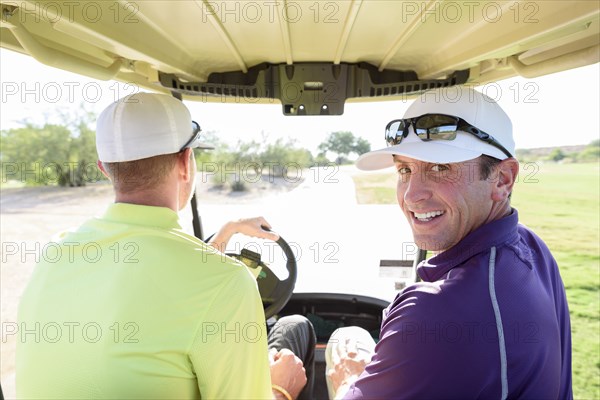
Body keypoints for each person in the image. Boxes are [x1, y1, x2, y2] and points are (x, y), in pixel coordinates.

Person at [16, 92, 314, 399]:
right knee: (295, 329)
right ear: (186, 162)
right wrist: (280, 389)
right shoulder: (225, 282)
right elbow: (194, 287)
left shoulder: (55, 253)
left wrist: (225, 234)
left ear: (105, 168)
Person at [326, 86, 572, 399]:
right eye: (405, 169)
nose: (411, 196)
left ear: (502, 179)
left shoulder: (431, 313)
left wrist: (348, 379)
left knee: (344, 340)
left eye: (440, 168)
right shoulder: (533, 247)